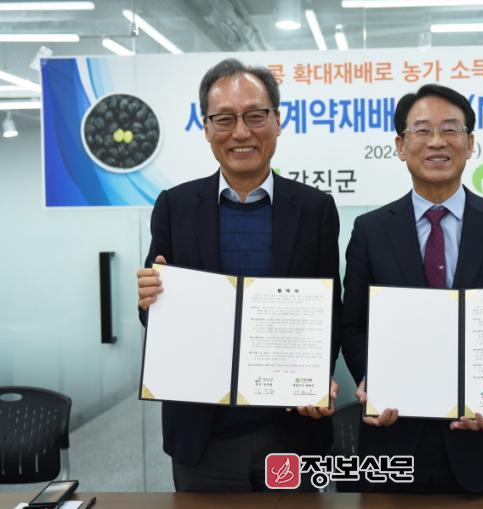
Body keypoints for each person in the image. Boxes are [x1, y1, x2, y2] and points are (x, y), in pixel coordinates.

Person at [136, 58, 341, 491]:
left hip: (292, 431)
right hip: (203, 435)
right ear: (206, 127)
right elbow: (155, 316)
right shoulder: (175, 206)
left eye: (255, 115)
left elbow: (329, 312)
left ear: (278, 120)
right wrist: (149, 299)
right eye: (225, 119)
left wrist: (317, 377)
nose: (241, 132)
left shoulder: (315, 209)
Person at [341, 84, 483, 494]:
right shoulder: (370, 231)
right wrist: (374, 379)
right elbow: (354, 325)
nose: (437, 141)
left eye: (451, 129)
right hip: (393, 437)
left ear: (470, 144)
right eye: (422, 130)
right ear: (400, 146)